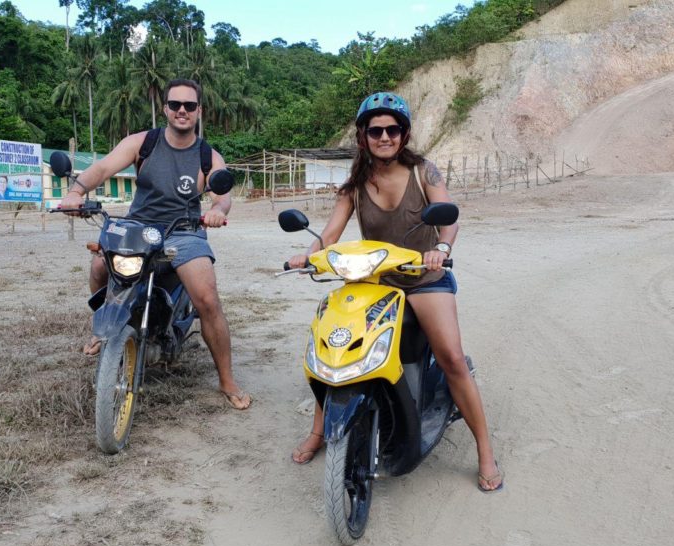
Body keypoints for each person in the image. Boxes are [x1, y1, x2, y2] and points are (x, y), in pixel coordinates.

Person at [287, 92, 502, 491]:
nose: (384, 137)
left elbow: (449, 219)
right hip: (375, 279)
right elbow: (331, 233)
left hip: (423, 276)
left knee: (452, 357)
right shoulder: (353, 184)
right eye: (376, 130)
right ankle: (320, 430)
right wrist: (309, 255)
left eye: (392, 129)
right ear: (363, 135)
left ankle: (485, 449)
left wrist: (441, 249)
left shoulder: (424, 172)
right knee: (335, 347)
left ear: (403, 134)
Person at [60, 78, 251, 410]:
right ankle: (103, 326)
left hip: (185, 230)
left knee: (207, 298)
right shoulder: (142, 143)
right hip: (138, 226)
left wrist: (218, 211)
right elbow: (103, 168)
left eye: (189, 106)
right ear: (165, 109)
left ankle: (227, 379)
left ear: (198, 111)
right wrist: (76, 192)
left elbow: (222, 197)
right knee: (99, 265)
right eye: (175, 104)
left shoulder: (208, 155)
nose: (182, 111)